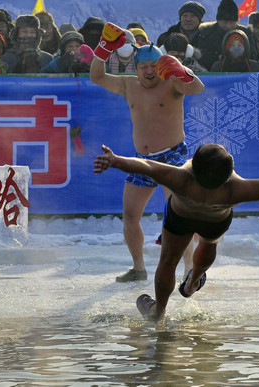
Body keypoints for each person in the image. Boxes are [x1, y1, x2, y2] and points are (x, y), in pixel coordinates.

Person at [93, 143, 259, 321]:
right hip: (215, 221)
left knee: (168, 259)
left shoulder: (181, 178)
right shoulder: (235, 189)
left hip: (181, 217)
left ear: (194, 168)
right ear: (227, 174)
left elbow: (146, 165)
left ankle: (159, 312)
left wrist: (115, 160)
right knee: (209, 244)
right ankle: (193, 281)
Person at [90, 23, 204, 282]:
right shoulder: (129, 85)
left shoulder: (172, 82)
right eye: (144, 67)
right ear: (136, 68)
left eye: (154, 66)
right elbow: (97, 77)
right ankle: (139, 268)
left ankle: (189, 270)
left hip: (173, 158)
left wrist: (184, 72)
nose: (149, 71)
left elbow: (197, 88)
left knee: (180, 217)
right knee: (130, 216)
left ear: (161, 67)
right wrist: (103, 50)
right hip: (143, 160)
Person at [196, 0, 258, 71]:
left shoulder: (246, 34)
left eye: (232, 22)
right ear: (218, 20)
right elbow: (202, 56)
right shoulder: (206, 34)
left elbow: (253, 55)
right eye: (225, 22)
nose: (228, 26)